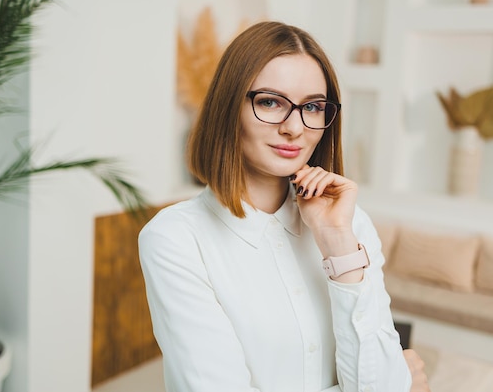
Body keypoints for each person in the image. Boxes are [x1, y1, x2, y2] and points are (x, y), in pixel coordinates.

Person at [139, 21, 430, 392]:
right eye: (270, 102)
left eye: (312, 106)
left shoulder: (350, 224)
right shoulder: (175, 239)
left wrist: (338, 245)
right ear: (229, 108)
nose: (295, 127)